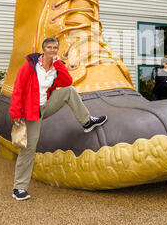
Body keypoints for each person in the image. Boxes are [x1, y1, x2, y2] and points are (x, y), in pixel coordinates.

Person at [9, 37, 107, 201]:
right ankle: (18, 188)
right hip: (31, 112)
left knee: (69, 90)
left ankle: (86, 121)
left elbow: (67, 81)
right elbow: (18, 89)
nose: (52, 50)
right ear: (43, 49)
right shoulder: (30, 66)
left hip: (45, 105)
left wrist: (59, 64)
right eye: (49, 47)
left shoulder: (55, 67)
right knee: (28, 149)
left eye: (55, 48)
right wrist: (15, 114)